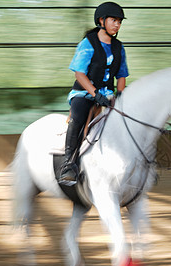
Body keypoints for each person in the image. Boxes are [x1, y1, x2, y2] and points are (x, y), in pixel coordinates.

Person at [59, 2, 129, 185]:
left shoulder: (119, 47)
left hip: (109, 97)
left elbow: (121, 75)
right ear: (101, 20)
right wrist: (95, 93)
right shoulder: (88, 43)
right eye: (114, 20)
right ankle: (68, 165)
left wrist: (120, 95)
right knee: (78, 118)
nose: (117, 24)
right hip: (84, 94)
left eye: (119, 21)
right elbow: (79, 74)